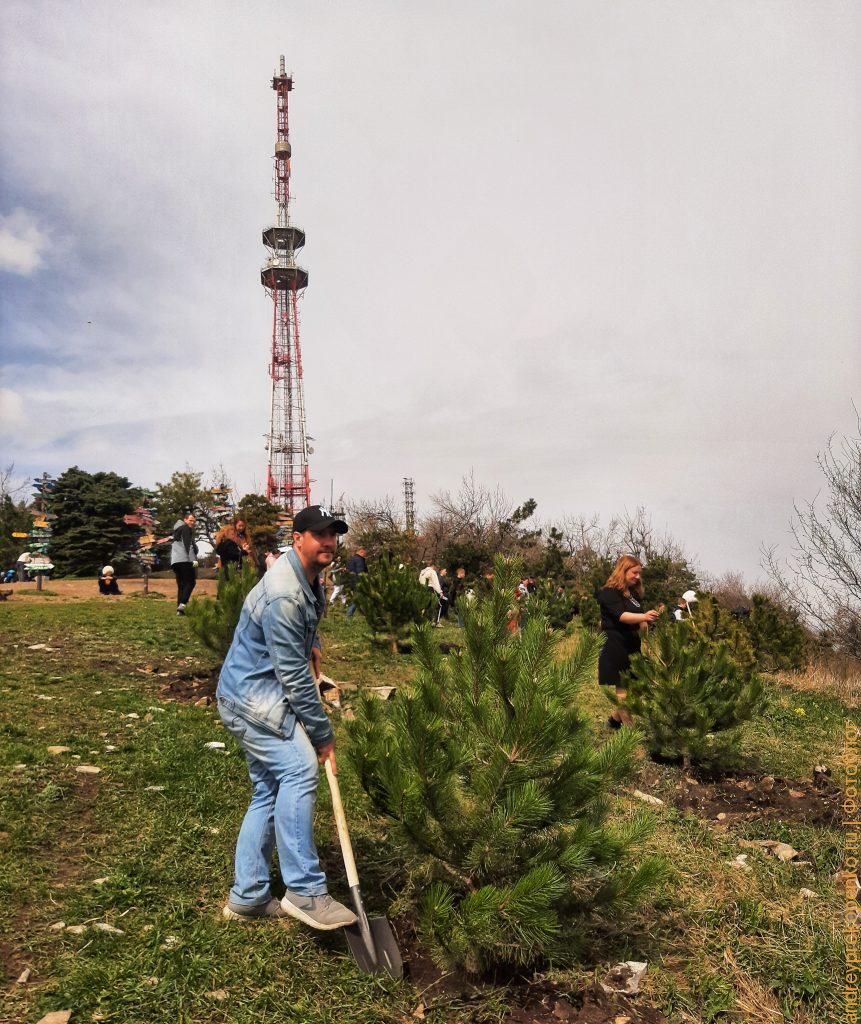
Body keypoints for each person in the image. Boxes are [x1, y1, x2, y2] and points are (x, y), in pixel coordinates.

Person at [216, 504, 357, 929]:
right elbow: (294, 679)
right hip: (253, 699)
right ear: (297, 539)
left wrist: (311, 645)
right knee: (299, 770)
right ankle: (305, 891)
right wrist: (323, 735)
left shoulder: (309, 579)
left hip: (252, 691)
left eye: (333, 534)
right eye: (319, 534)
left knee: (268, 790)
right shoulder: (284, 593)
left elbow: (299, 639)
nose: (329, 541)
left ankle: (249, 897)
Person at [598, 556, 663, 729]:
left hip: (632, 647)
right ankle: (630, 731)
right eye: (634, 572)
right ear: (623, 570)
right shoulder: (609, 593)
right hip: (615, 647)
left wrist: (646, 627)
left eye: (639, 573)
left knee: (638, 688)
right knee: (623, 691)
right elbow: (622, 616)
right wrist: (644, 616)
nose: (637, 576)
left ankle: (614, 720)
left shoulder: (633, 594)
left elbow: (639, 619)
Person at [170, 511, 198, 614]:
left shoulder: (177, 530)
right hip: (185, 560)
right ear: (185, 520)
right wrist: (193, 560)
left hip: (175, 562)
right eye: (190, 520)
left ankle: (180, 610)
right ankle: (182, 605)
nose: (192, 523)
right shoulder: (186, 528)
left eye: (194, 521)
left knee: (182, 585)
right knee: (191, 582)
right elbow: (188, 545)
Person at [344, 546, 368, 618]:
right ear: (361, 551)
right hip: (359, 582)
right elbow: (360, 572)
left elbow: (348, 571)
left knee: (361, 599)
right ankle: (349, 615)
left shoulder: (350, 559)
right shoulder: (360, 560)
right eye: (365, 552)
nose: (366, 554)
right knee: (357, 599)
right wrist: (364, 582)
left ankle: (365, 614)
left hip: (352, 582)